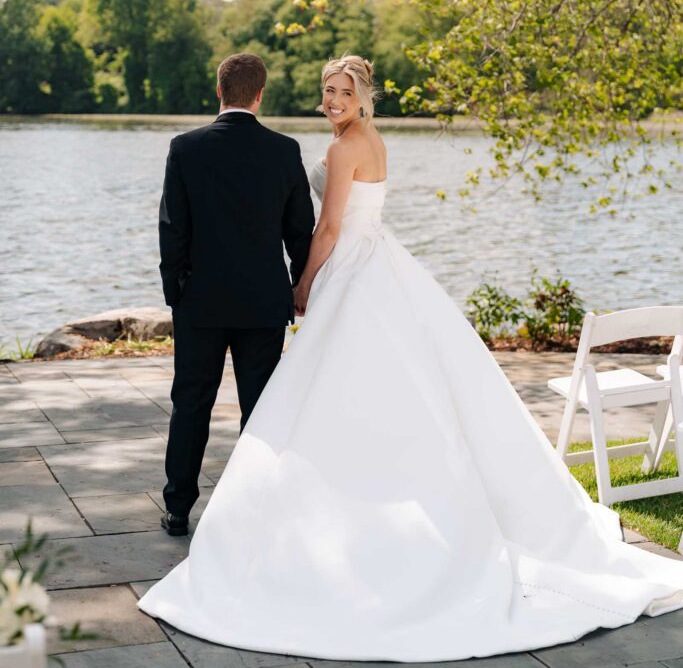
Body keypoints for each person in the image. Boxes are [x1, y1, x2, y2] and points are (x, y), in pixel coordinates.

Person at [139, 54, 683, 661]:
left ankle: (206, 509)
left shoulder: (221, 148)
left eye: (343, 91)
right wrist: (284, 283)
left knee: (236, 403)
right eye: (328, 90)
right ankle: (273, 507)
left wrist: (285, 284)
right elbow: (300, 224)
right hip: (340, 277)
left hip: (268, 290)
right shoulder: (307, 147)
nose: (333, 99)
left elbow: (270, 229)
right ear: (261, 95)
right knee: (284, 403)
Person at [157, 52, 314, 537]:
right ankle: (256, 508)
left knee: (191, 402)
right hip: (263, 302)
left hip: (199, 301)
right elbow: (300, 231)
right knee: (260, 407)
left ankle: (178, 509)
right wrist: (299, 286)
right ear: (260, 94)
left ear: (218, 90)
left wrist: (176, 293)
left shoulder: (186, 148)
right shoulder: (284, 150)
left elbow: (172, 229)